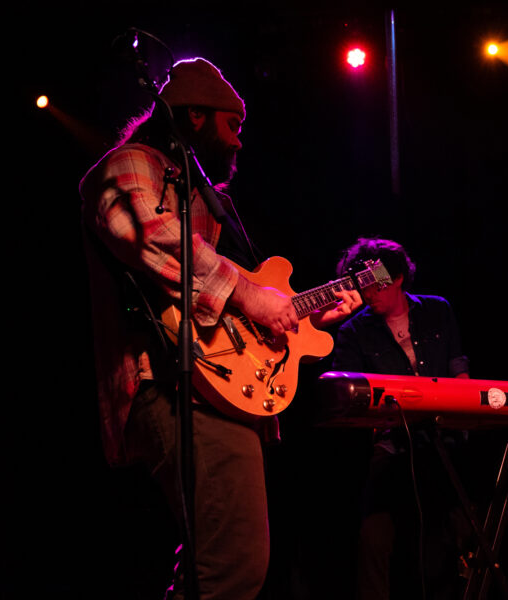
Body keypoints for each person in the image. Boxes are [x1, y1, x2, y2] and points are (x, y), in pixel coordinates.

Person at [80, 57, 360, 599]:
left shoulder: (209, 201)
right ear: (194, 118)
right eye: (232, 126)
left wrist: (302, 319)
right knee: (231, 565)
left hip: (214, 388)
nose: (238, 142)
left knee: (221, 566)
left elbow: (232, 303)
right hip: (172, 381)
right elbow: (145, 233)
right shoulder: (133, 162)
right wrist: (255, 296)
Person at [331, 237, 471, 600]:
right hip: (392, 447)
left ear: (396, 279)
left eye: (373, 283)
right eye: (360, 286)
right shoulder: (353, 330)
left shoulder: (437, 310)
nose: (367, 293)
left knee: (454, 538)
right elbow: (345, 398)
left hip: (444, 441)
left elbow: (459, 371)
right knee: (373, 542)